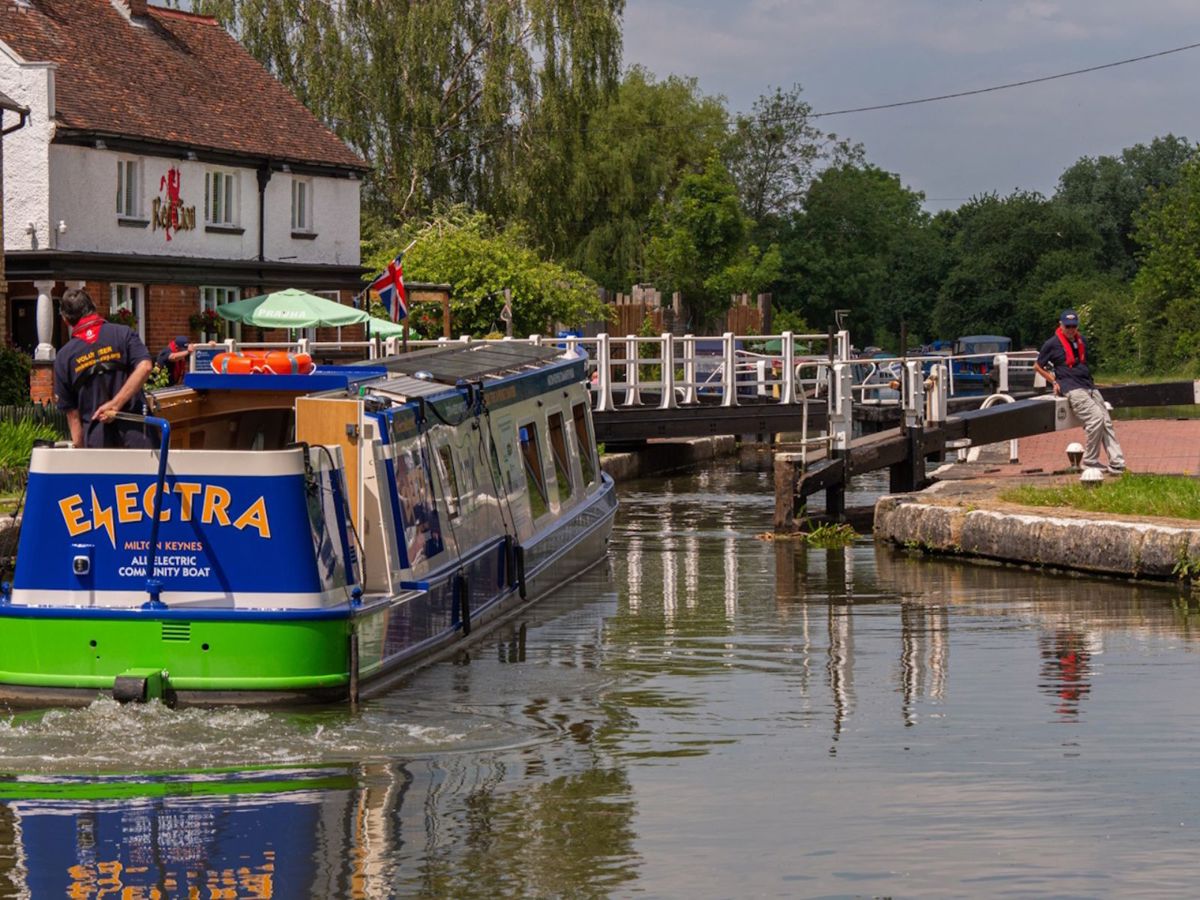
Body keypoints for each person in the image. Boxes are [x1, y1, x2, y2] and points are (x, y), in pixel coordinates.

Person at [53, 287, 154, 449]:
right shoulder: (123, 334)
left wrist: (80, 451)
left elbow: (73, 417)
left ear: (65, 319)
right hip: (138, 438)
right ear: (93, 308)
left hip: (98, 446)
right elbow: (145, 366)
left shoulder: (64, 357)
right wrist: (116, 403)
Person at [1033, 308, 1125, 474]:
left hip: (1088, 385)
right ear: (1060, 325)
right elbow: (1038, 366)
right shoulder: (1051, 344)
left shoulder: (1081, 340)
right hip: (1071, 387)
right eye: (1067, 326)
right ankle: (1090, 461)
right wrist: (1054, 380)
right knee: (1095, 419)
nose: (1071, 330)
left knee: (1106, 421)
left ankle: (1117, 463)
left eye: (1073, 326)